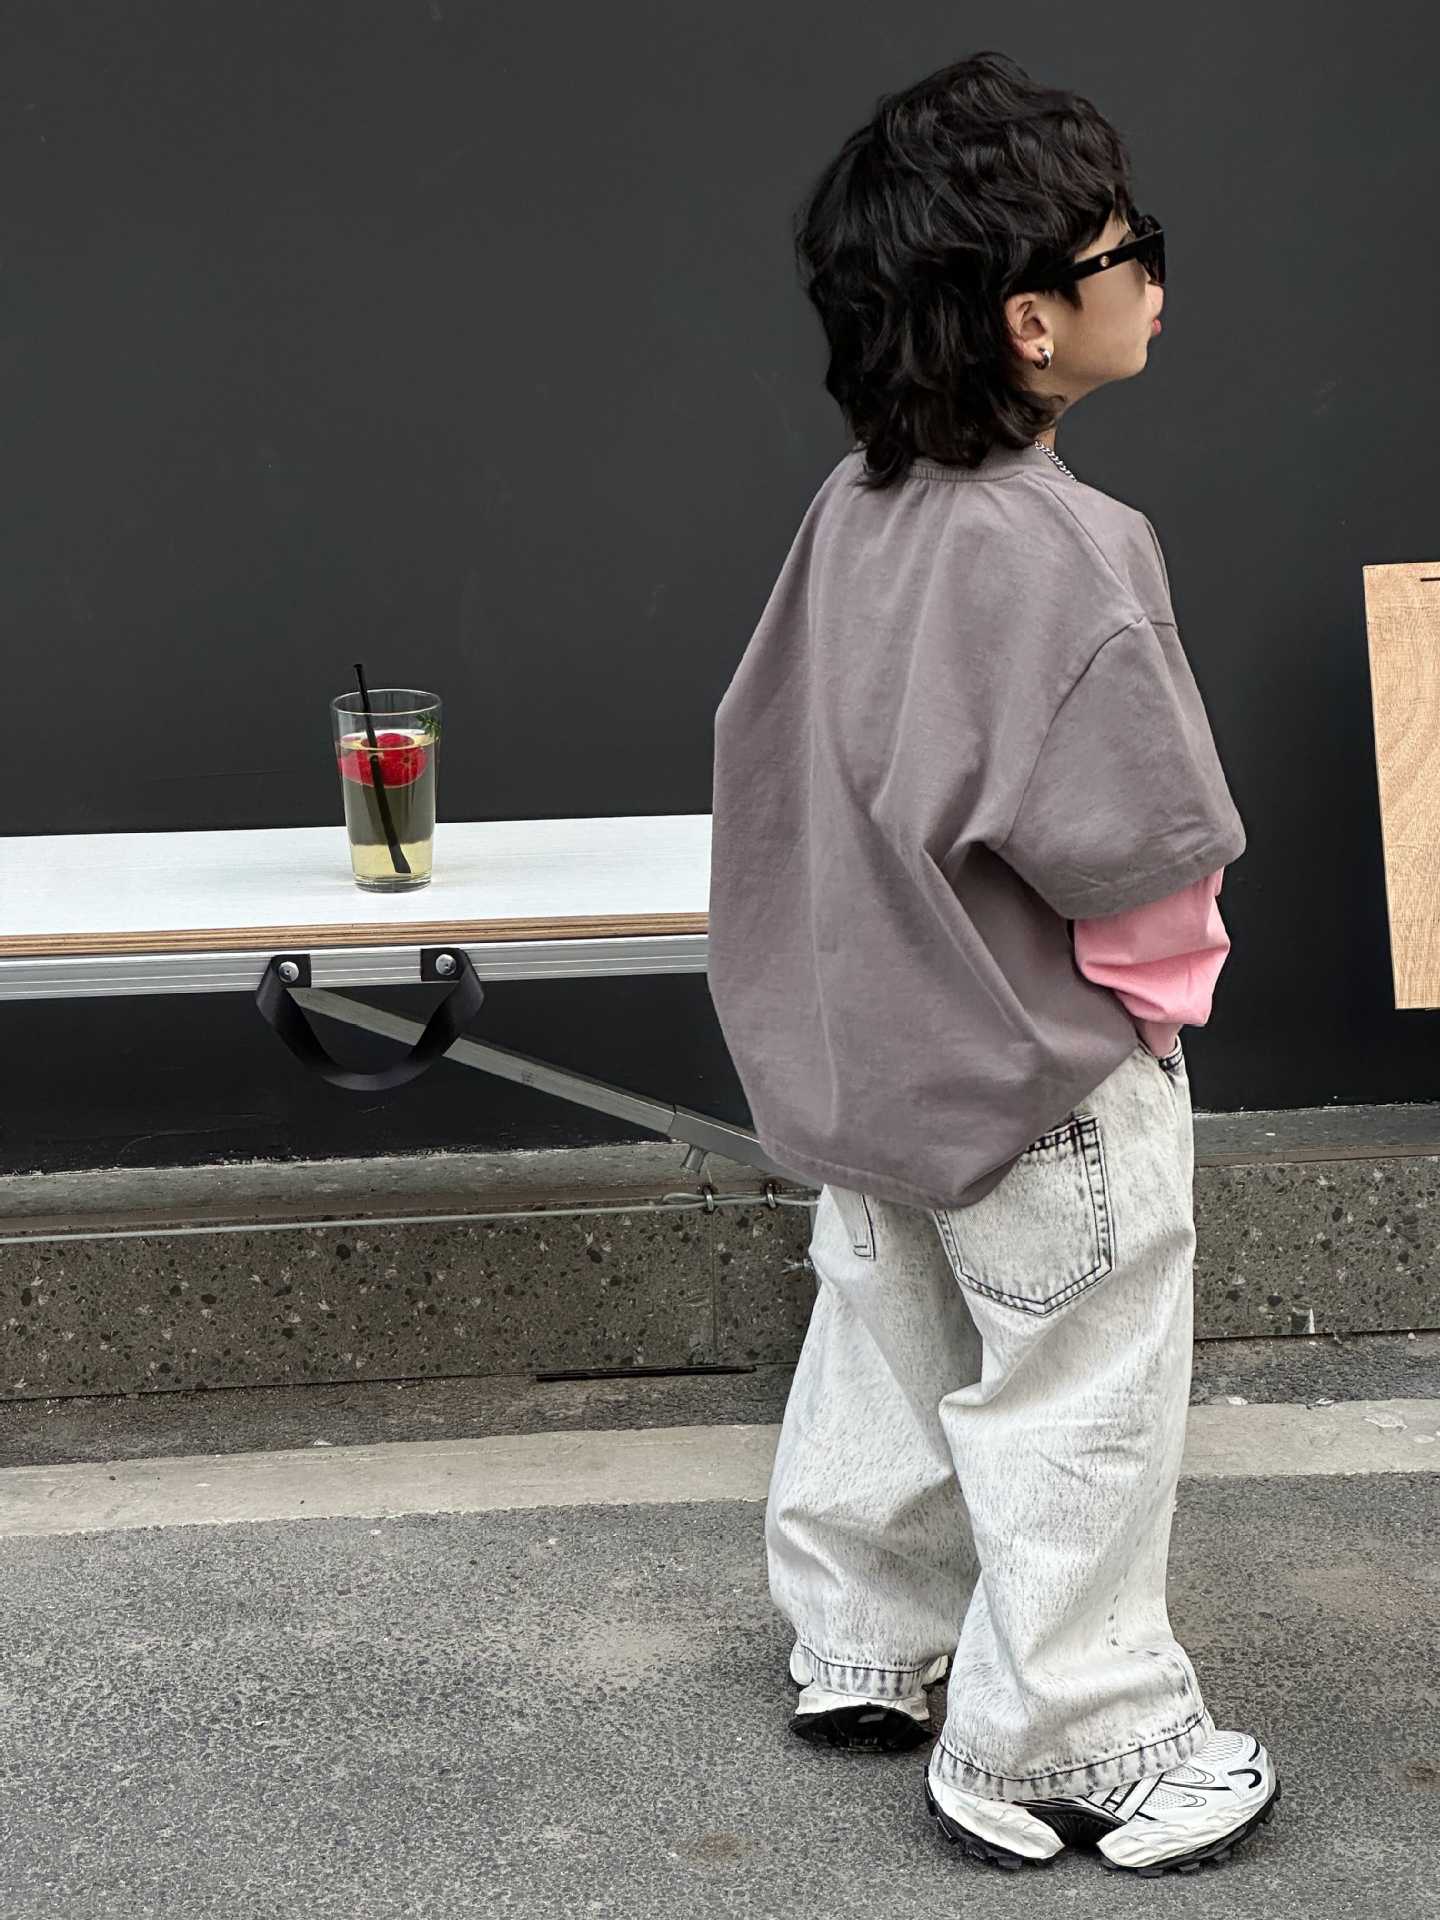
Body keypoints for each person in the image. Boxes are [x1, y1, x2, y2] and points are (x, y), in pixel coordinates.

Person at [706, 50, 1279, 1878]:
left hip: (871, 1046)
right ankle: (1077, 1741)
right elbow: (1142, 846)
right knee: (1078, 1391)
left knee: (884, 1336)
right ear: (1033, 322)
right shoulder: (1077, 553)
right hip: (1039, 1072)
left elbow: (781, 754)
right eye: (1129, 246)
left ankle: (860, 1640)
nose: (1154, 274)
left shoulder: (850, 510)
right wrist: (1155, 1013)